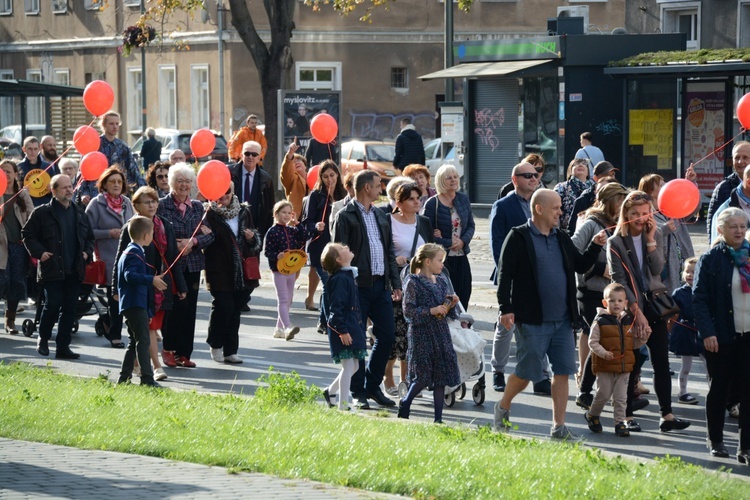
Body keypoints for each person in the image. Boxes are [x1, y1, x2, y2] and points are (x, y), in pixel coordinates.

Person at [494, 189, 606, 440]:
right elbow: (505, 275)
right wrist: (505, 307)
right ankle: (503, 406)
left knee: (563, 372)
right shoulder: (519, 236)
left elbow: (579, 265)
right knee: (526, 373)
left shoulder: (561, 237)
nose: (561, 212)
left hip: (564, 319)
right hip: (532, 319)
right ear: (539, 209)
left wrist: (594, 247)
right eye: (556, 207)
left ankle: (558, 427)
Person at [607, 190, 691, 433]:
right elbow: (619, 279)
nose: (640, 218)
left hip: (655, 307)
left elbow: (657, 269)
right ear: (625, 214)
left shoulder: (654, 234)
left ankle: (667, 414)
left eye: (645, 213)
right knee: (631, 363)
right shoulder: (616, 242)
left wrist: (652, 239)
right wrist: (636, 311)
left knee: (661, 362)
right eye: (635, 213)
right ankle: (626, 414)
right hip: (632, 309)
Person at [332, 170, 402, 409]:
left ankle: (373, 386)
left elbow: (389, 252)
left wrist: (396, 284)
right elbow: (338, 255)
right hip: (356, 287)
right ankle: (357, 391)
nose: (381, 188)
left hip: (381, 285)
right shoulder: (346, 216)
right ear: (365, 188)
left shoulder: (381, 215)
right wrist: (343, 287)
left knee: (388, 335)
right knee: (358, 340)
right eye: (377, 184)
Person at [693, 207, 750, 463]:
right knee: (719, 389)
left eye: (742, 226)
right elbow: (699, 300)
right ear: (721, 229)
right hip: (722, 335)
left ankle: (745, 447)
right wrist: (708, 332)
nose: (738, 231)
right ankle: (715, 440)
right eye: (733, 227)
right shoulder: (710, 259)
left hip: (748, 334)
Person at [113, 187, 187, 382]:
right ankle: (154, 368)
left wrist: (181, 285)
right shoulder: (132, 228)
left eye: (154, 201)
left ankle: (133, 368)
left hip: (161, 285)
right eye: (147, 202)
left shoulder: (164, 225)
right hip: (143, 287)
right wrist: (115, 289)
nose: (152, 205)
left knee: (148, 330)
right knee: (148, 329)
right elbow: (120, 261)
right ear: (136, 206)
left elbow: (172, 258)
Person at [22, 174, 95, 359]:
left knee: (70, 308)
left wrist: (86, 253)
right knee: (53, 304)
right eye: (64, 187)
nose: (69, 190)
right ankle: (43, 338)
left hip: (74, 268)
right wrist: (40, 253)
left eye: (70, 186)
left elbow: (89, 238)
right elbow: (27, 234)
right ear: (53, 191)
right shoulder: (41, 212)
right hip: (52, 267)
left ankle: (63, 347)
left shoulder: (79, 212)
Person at [571, 182, 629, 410]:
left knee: (607, 338)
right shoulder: (591, 223)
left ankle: (601, 391)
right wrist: (598, 268)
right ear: (609, 201)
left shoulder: (618, 224)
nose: (623, 204)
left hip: (611, 292)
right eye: (620, 200)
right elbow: (573, 253)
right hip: (590, 292)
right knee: (602, 338)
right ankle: (586, 389)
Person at [489, 162, 541, 393]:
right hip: (512, 275)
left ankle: (541, 376)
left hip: (539, 275)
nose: (533, 178)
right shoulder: (503, 206)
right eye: (527, 175)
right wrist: (506, 274)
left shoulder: (541, 202)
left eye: (536, 175)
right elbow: (497, 244)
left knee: (540, 325)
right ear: (515, 179)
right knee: (507, 325)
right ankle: (498, 371)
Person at [157, 163, 215, 368]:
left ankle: (184, 353)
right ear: (171, 182)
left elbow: (210, 236)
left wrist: (194, 242)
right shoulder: (162, 205)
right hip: (171, 264)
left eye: (187, 181)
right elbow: (158, 233)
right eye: (179, 180)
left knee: (190, 309)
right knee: (172, 308)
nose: (184, 185)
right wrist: (178, 243)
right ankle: (168, 349)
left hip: (192, 264)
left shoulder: (198, 207)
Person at [399, 243, 461, 423]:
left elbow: (446, 311)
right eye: (439, 260)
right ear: (427, 261)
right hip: (422, 334)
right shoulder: (413, 281)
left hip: (440, 333)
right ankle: (406, 402)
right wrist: (430, 311)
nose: (442, 265)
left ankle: (438, 419)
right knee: (423, 376)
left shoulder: (441, 280)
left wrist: (451, 305)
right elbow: (408, 312)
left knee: (441, 376)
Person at [384, 182, 433, 395]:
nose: (417, 202)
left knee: (414, 333)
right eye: (412, 199)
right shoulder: (388, 222)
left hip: (417, 283)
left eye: (419, 198)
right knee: (396, 335)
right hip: (395, 283)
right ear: (399, 202)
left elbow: (430, 251)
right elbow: (382, 252)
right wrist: (395, 260)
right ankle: (388, 378)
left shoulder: (424, 222)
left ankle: (409, 380)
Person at [204, 185, 261, 363]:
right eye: (220, 193)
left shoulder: (244, 211)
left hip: (241, 270)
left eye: (227, 192)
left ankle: (231, 350)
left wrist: (252, 237)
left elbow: (254, 240)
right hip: (218, 268)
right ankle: (215, 344)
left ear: (232, 192)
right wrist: (203, 233)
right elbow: (206, 240)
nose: (224, 196)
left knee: (235, 309)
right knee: (224, 306)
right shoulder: (209, 214)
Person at [585, 282, 648, 437]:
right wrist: (603, 353)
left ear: (626, 303)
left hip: (624, 367)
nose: (616, 304)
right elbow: (592, 342)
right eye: (612, 301)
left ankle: (619, 423)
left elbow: (633, 343)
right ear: (605, 303)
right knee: (603, 395)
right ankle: (593, 414)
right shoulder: (600, 321)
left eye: (620, 301)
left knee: (621, 398)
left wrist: (644, 337)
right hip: (605, 366)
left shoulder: (627, 321)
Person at [85, 166, 136, 349]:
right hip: (108, 258)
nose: (116, 184)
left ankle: (119, 326)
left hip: (128, 257)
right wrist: (109, 233)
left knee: (127, 296)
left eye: (119, 182)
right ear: (104, 184)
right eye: (112, 181)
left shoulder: (127, 203)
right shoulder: (96, 204)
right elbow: (87, 231)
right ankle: (115, 335)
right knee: (114, 297)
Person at [115, 216, 167, 387]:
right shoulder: (133, 253)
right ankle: (147, 379)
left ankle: (124, 378)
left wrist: (148, 311)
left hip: (135, 304)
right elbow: (129, 276)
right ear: (146, 236)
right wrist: (151, 279)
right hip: (134, 303)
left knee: (134, 341)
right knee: (143, 341)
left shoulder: (134, 251)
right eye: (152, 233)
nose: (153, 235)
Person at [319, 243, 368, 411]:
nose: (347, 247)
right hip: (343, 328)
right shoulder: (340, 278)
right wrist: (343, 331)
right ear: (339, 259)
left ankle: (330, 392)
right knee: (348, 366)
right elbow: (336, 308)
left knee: (354, 366)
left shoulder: (347, 275)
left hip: (351, 326)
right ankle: (343, 405)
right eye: (342, 248)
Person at [302, 160, 347, 330]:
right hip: (320, 247)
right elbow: (306, 222)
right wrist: (315, 226)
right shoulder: (315, 195)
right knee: (328, 282)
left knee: (333, 285)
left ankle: (323, 320)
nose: (329, 179)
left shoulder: (344, 195)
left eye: (332, 175)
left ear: (337, 175)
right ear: (321, 177)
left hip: (339, 247)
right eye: (325, 176)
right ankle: (329, 321)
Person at [423, 164, 474, 310]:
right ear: (440, 180)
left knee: (464, 293)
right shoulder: (433, 204)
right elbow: (426, 234)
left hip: (461, 254)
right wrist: (447, 242)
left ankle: (462, 326)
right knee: (445, 297)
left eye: (455, 177)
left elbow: (471, 225)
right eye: (449, 178)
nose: (453, 180)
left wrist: (463, 241)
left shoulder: (463, 199)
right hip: (442, 259)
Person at [638, 171, 697, 293]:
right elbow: (646, 234)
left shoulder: (672, 206)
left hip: (682, 264)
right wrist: (665, 229)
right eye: (660, 185)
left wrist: (690, 183)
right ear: (650, 192)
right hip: (665, 268)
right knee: (669, 300)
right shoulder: (645, 213)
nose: (665, 186)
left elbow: (692, 208)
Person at [264, 200, 309, 340]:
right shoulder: (272, 231)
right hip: (278, 271)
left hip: (292, 271)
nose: (287, 215)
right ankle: (287, 326)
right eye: (284, 212)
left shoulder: (292, 230)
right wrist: (277, 256)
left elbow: (305, 237)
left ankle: (278, 329)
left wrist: (297, 223)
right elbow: (267, 252)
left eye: (289, 213)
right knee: (283, 300)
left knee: (288, 300)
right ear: (276, 214)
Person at [0, 160, 33, 335]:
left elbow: (31, 215)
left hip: (18, 245)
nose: (6, 174)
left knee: (16, 282)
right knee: (2, 280)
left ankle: (10, 320)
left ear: (15, 174)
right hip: (1, 246)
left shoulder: (22, 194)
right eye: (2, 171)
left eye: (9, 171)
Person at [669, 257, 702, 405]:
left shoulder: (703, 291)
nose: (689, 275)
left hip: (701, 332)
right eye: (687, 271)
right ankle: (682, 392)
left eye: (694, 272)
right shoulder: (678, 293)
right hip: (685, 333)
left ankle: (716, 392)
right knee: (686, 365)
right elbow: (673, 314)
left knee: (709, 364)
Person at [230, 141, 274, 240]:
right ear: (241, 155)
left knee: (252, 256)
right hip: (231, 226)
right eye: (247, 153)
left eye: (254, 154)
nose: (250, 157)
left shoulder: (266, 179)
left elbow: (270, 209)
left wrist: (262, 236)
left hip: (255, 231)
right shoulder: (229, 174)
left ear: (259, 158)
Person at [707, 141, 750, 237]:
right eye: (737, 158)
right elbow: (713, 221)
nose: (740, 162)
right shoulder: (723, 188)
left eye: (745, 157)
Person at [567, 161, 619, 234]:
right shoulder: (583, 200)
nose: (610, 178)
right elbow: (572, 231)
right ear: (595, 178)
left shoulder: (620, 197)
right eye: (606, 175)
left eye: (613, 174)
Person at [98, 111, 145, 189]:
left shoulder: (123, 146)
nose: (115, 127)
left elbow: (133, 168)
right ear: (104, 125)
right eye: (111, 124)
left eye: (117, 124)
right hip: (99, 188)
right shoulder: (96, 144)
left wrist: (144, 188)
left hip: (118, 188)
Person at [554, 158, 593, 232]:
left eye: (584, 164)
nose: (580, 165)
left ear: (588, 172)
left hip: (591, 232)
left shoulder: (595, 189)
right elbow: (554, 209)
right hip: (567, 233)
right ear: (570, 170)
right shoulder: (561, 187)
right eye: (576, 164)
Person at [19, 136, 58, 207]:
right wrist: (21, 191)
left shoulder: (47, 167)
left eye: (35, 149)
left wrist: (52, 188)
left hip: (45, 206)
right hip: (26, 207)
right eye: (30, 149)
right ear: (24, 149)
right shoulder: (18, 167)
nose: (33, 152)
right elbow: (12, 190)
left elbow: (57, 187)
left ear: (39, 148)